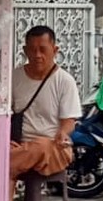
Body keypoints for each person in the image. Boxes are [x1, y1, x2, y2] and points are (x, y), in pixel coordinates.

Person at [10, 26, 81, 185]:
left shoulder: (65, 81)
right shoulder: (14, 77)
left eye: (43, 50)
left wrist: (63, 133)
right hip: (19, 147)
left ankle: (0, 165)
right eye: (32, 50)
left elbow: (69, 122)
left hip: (53, 148)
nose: (37, 55)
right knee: (6, 174)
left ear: (55, 50)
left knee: (40, 146)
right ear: (24, 50)